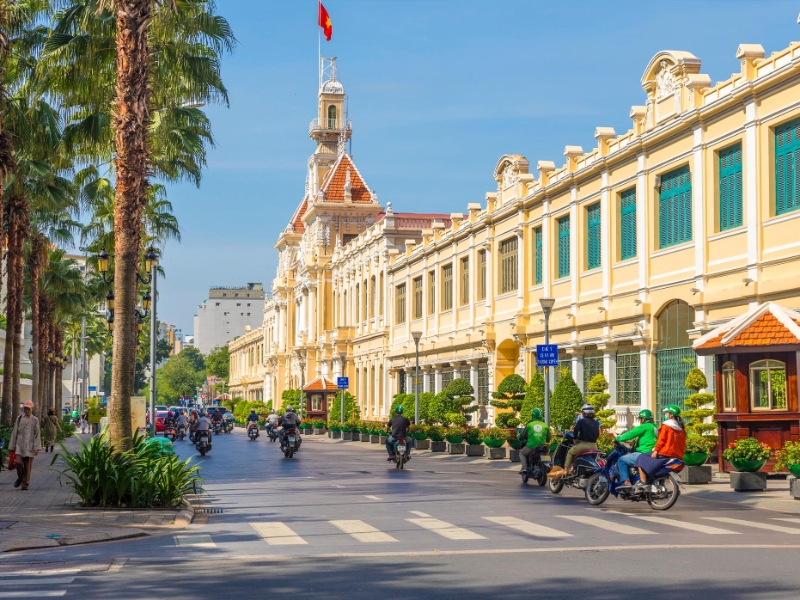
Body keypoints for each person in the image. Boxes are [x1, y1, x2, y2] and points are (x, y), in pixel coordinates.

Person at [635, 405, 686, 489]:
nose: (665, 414)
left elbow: (661, 439)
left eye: (666, 413)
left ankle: (643, 481)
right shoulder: (681, 428)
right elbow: (683, 444)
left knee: (641, 457)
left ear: (671, 415)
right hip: (677, 455)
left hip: (665, 452)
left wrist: (656, 450)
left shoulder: (666, 425)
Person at [614, 409, 658, 488]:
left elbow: (631, 434)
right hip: (653, 452)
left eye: (640, 419)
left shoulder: (645, 426)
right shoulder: (655, 426)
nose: (640, 421)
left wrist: (618, 438)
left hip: (643, 453)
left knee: (622, 460)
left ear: (643, 419)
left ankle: (626, 482)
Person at [8, 401, 42, 490]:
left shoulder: (35, 420)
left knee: (27, 466)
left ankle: (25, 484)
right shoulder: (19, 418)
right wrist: (12, 446)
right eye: (25, 409)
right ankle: (20, 477)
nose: (26, 411)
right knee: (18, 462)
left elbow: (37, 434)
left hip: (30, 445)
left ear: (32, 409)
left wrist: (36, 448)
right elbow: (15, 432)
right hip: (19, 444)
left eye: (28, 409)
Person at [563, 403, 600, 474]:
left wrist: (575, 437)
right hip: (594, 446)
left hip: (584, 445)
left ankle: (565, 470)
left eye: (582, 412)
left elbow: (576, 430)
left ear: (585, 413)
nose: (582, 414)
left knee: (570, 452)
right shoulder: (596, 423)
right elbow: (597, 435)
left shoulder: (581, 421)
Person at [519, 408, 551, 473]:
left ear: (532, 415)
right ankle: (548, 465)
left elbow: (522, 436)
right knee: (546, 454)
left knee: (521, 453)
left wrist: (520, 438)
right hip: (543, 446)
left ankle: (524, 468)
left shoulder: (529, 425)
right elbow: (548, 439)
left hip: (531, 446)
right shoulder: (545, 426)